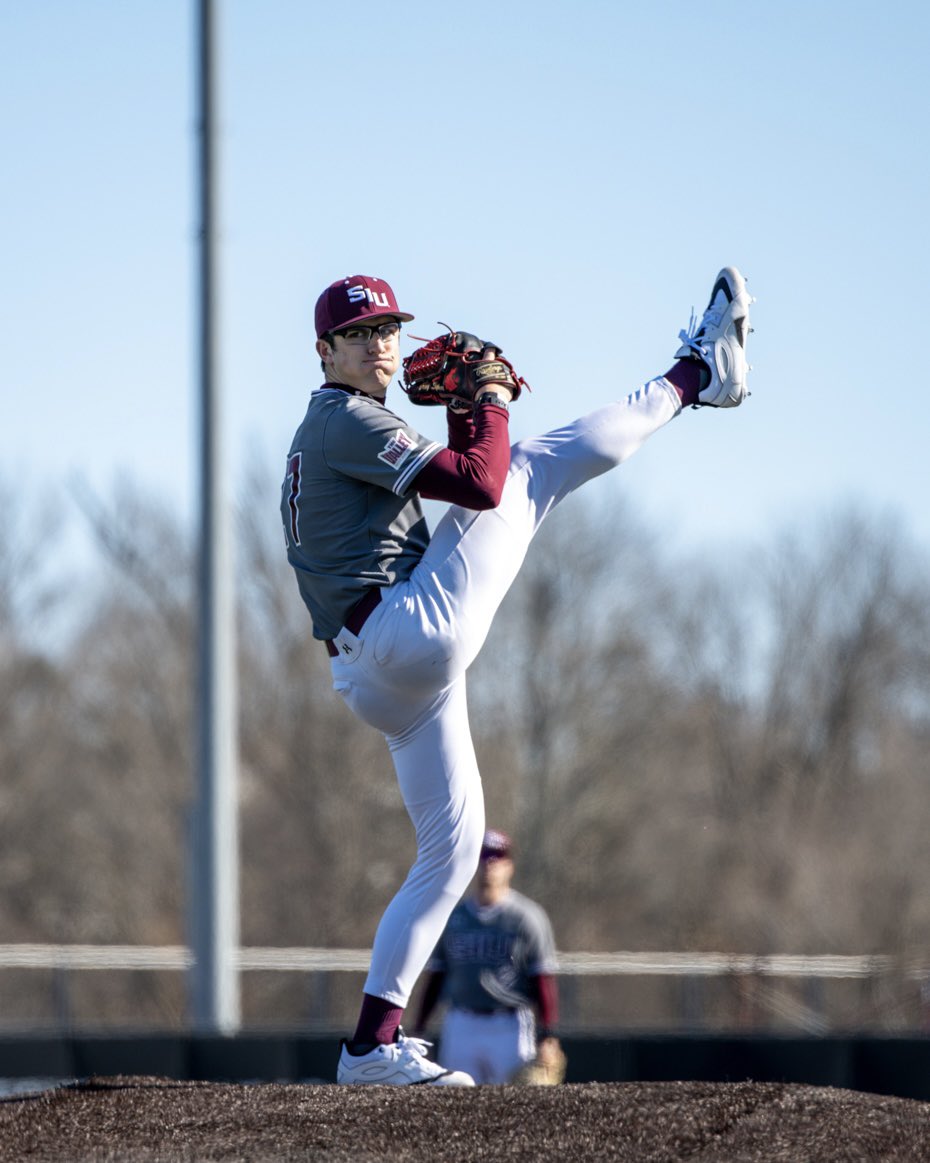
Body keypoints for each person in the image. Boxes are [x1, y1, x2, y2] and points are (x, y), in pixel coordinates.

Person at [281, 267, 753, 1086]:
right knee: (531, 469)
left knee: (453, 850)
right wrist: (485, 402)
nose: (380, 343)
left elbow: (460, 477)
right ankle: (696, 373)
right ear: (324, 351)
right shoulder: (344, 418)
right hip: (405, 634)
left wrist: (473, 410)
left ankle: (368, 1044)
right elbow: (482, 479)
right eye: (358, 334)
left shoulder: (340, 423)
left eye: (387, 327)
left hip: (377, 671)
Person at [413, 828, 562, 1084]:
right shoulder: (452, 916)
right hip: (461, 1021)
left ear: (510, 866)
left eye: (497, 857)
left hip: (509, 1023)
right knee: (456, 1103)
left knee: (513, 1106)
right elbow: (436, 977)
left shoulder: (526, 917)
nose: (489, 864)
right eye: (482, 857)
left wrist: (548, 1035)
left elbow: (542, 979)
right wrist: (420, 1028)